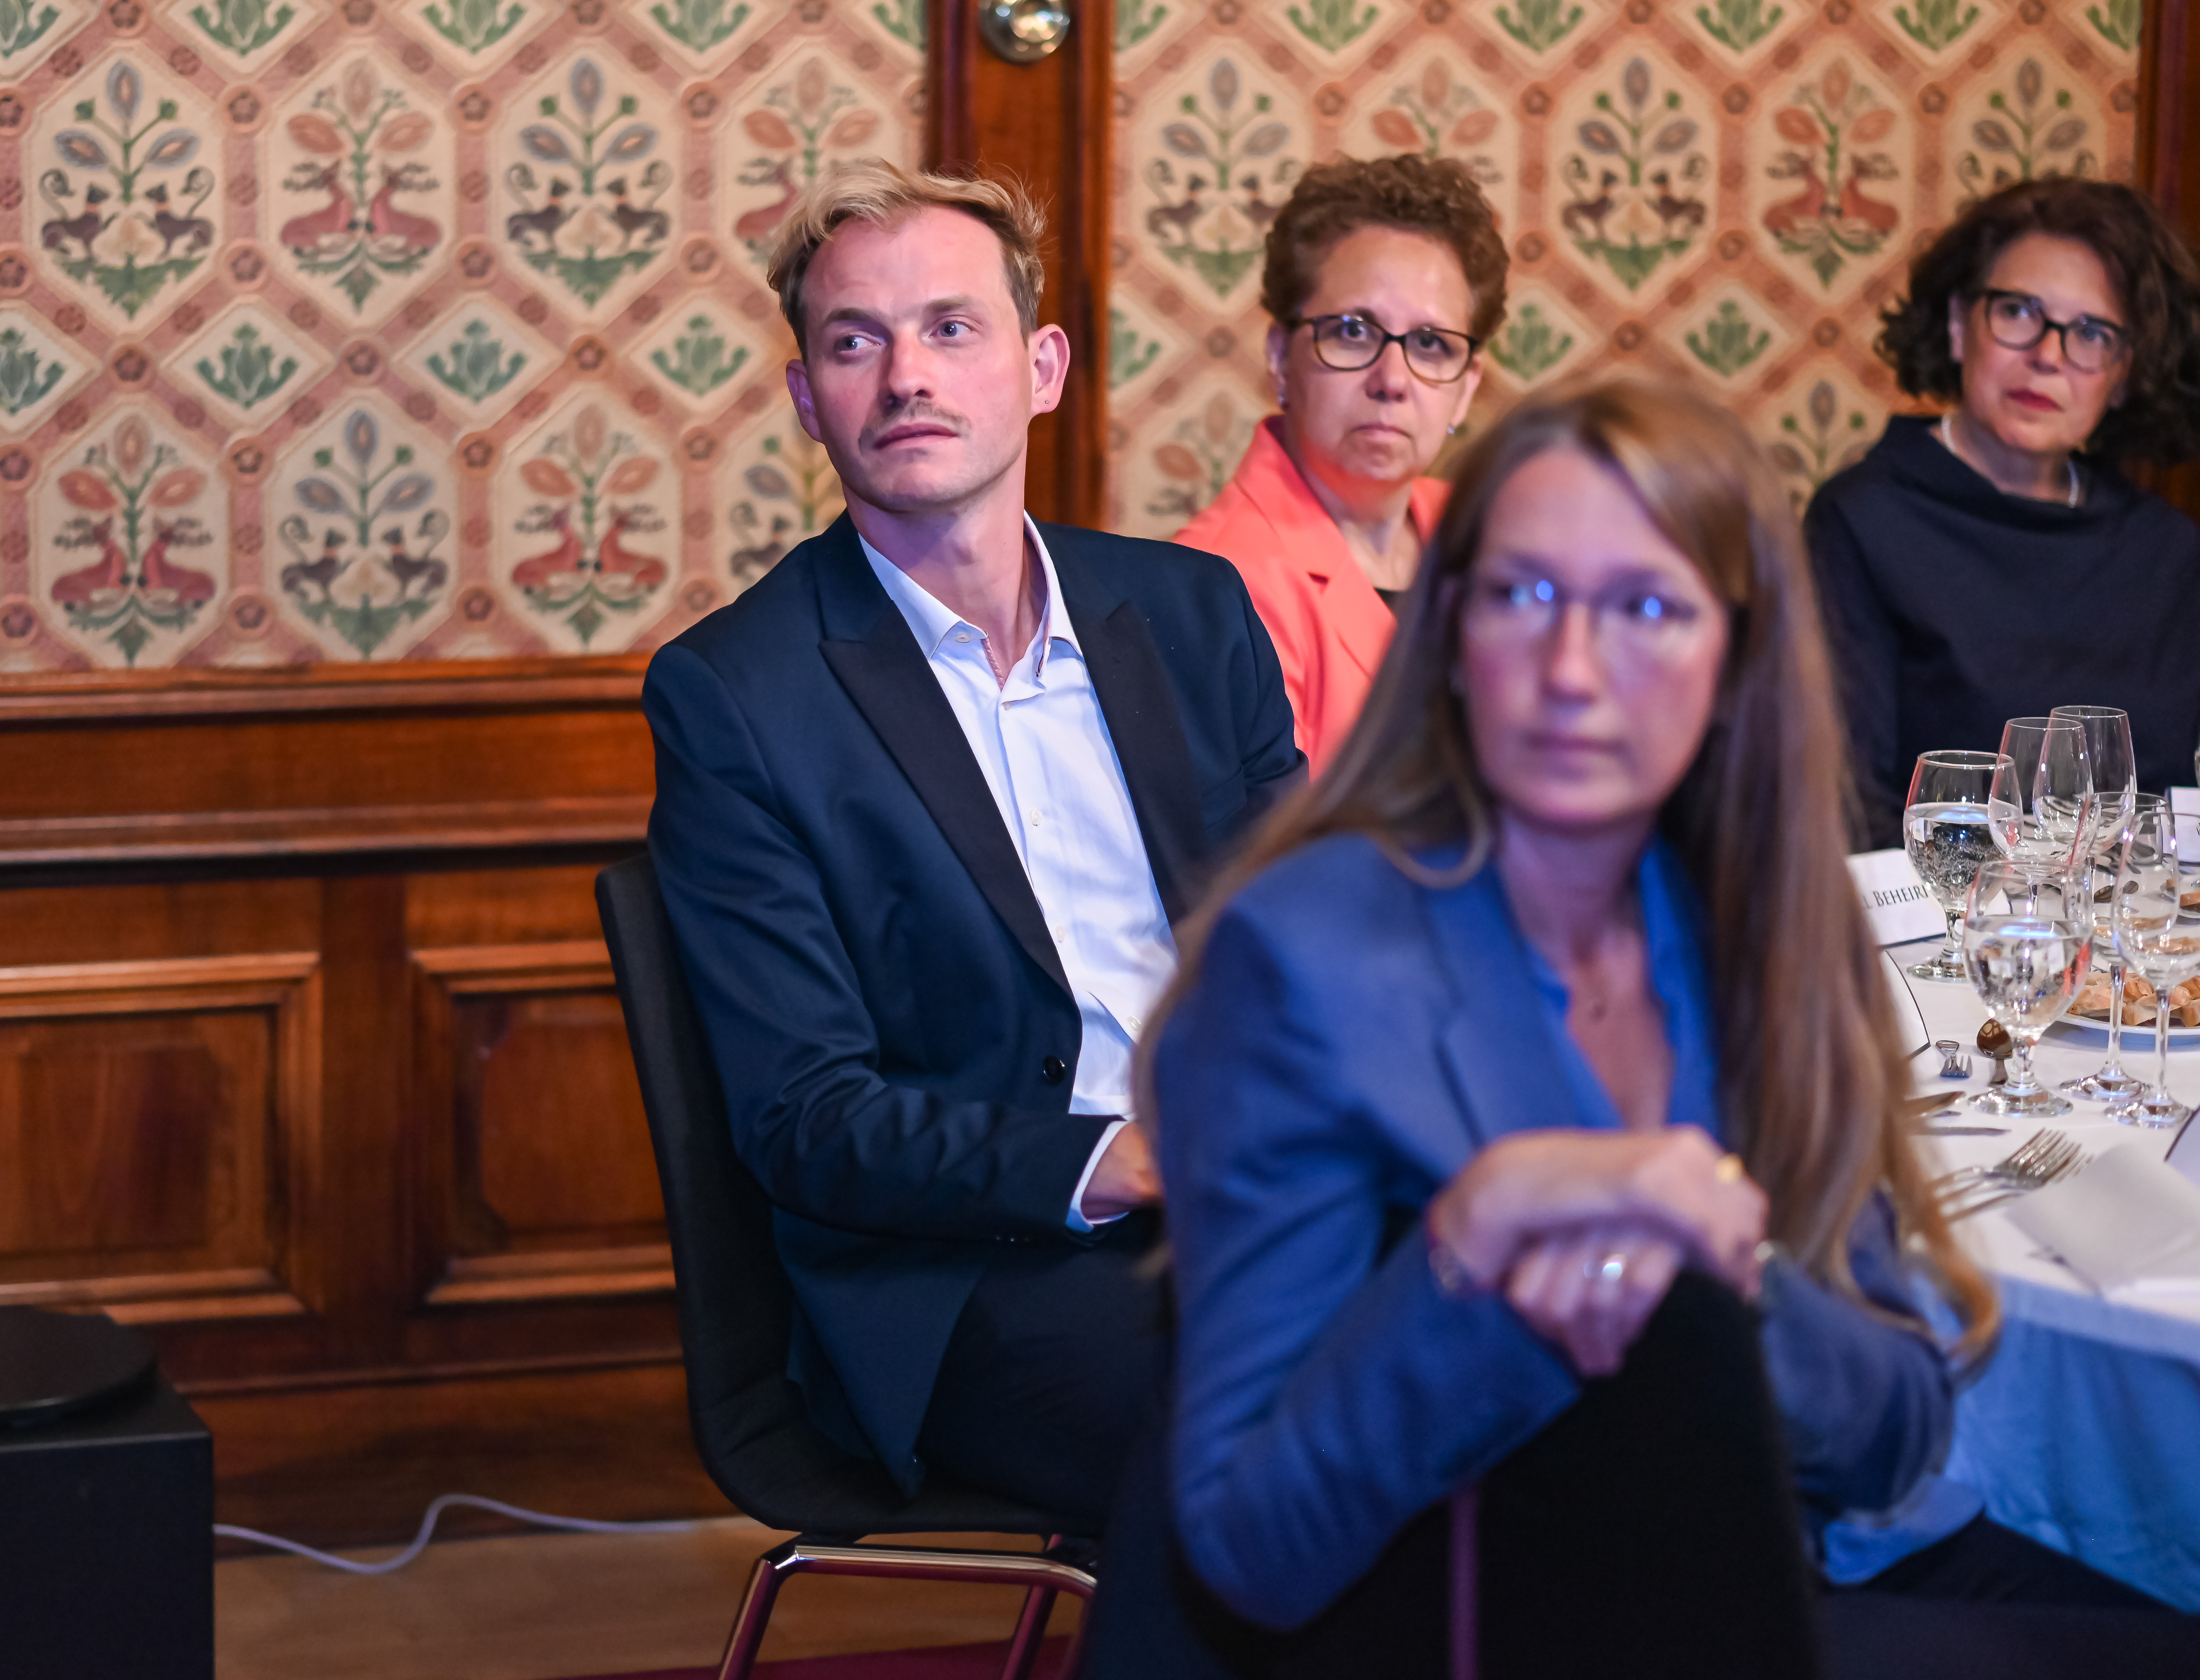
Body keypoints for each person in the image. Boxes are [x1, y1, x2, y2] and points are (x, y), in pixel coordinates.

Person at [1144, 377, 2198, 1670]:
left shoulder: (1762, 922)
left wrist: (1739, 1282)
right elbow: (1250, 1549)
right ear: (1452, 635)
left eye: (1647, 608)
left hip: (1786, 1565)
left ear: (1736, 660)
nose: (1572, 672)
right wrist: (1469, 1257)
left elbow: (1900, 1431)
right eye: (1521, 595)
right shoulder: (1304, 958)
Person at [641, 160, 1303, 1527]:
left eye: (951, 327)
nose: (906, 377)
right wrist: (1112, 1161)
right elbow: (806, 1117)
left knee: (1580, 1353)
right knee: (1294, 1430)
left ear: (1040, 367)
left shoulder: (1192, 615)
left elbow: (1314, 946)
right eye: (854, 342)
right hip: (975, 1270)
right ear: (805, 398)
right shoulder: (739, 696)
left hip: (1255, 1188)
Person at [1807, 177, 2200, 848]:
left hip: (2143, 911)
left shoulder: (2169, 550)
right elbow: (1846, 803)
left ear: (2124, 375)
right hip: (1932, 910)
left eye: (2091, 332)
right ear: (1960, 327)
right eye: (2018, 311)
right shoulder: (1862, 520)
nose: (2047, 357)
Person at [1174, 153, 1506, 764]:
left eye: (1430, 344)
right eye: (1354, 332)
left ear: (1466, 385)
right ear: (1281, 356)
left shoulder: (1487, 535)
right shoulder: (1215, 589)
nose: (1392, 380)